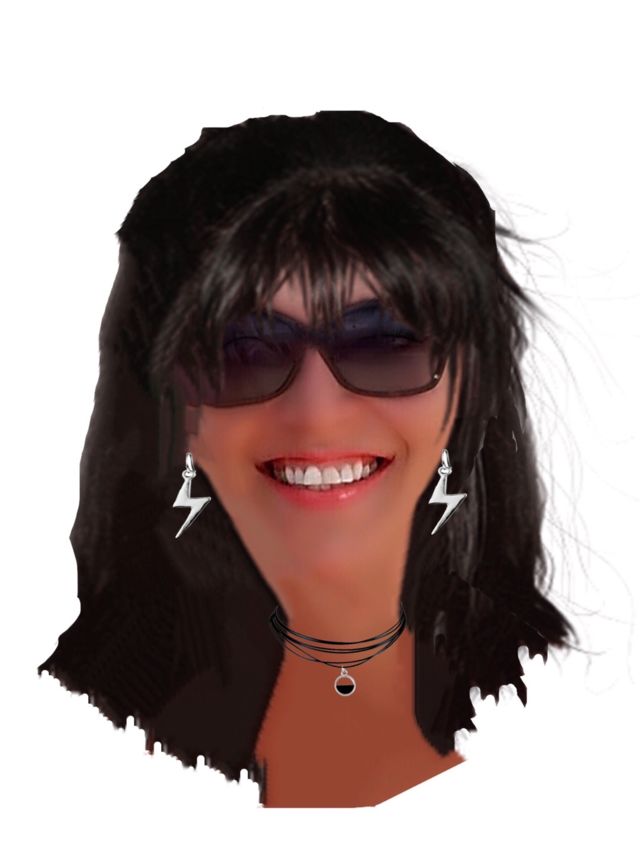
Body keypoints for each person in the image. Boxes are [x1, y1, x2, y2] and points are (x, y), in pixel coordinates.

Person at [37, 110, 581, 808]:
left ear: (468, 387)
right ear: (172, 409)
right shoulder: (61, 750)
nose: (317, 411)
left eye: (383, 343)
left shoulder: (578, 734)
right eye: (245, 351)